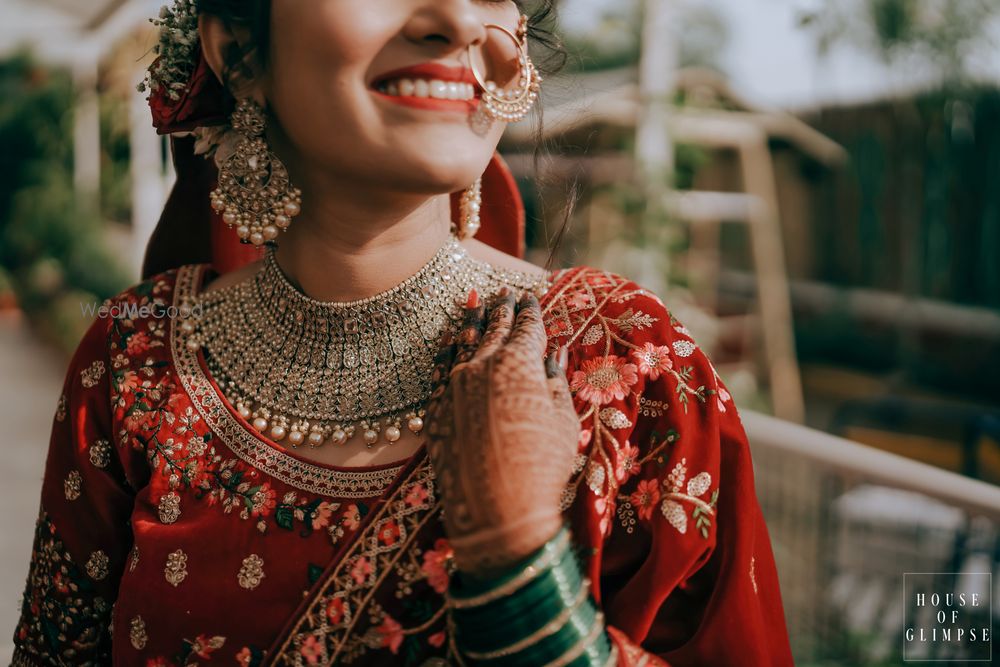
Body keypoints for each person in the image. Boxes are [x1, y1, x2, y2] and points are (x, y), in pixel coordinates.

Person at [11, 1, 794, 665]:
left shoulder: (627, 364)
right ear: (239, 51)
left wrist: (520, 572)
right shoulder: (135, 357)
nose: (457, 19)